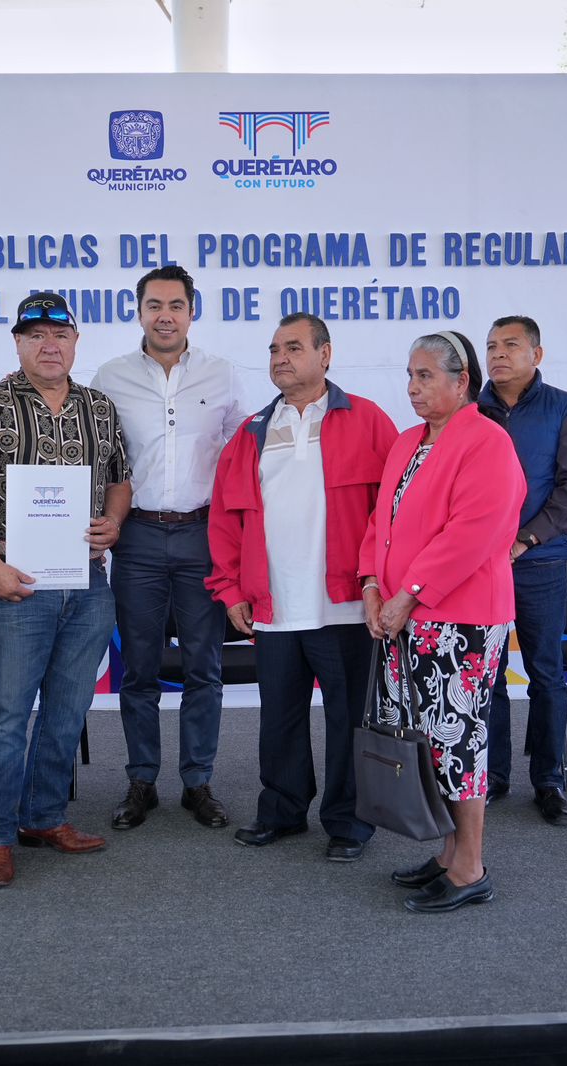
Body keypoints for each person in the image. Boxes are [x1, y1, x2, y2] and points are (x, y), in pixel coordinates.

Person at [208, 313, 397, 862]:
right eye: (273, 349)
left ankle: (349, 821)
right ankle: (282, 811)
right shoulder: (250, 433)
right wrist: (231, 590)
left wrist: (377, 583)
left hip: (344, 604)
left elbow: (392, 512)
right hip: (273, 606)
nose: (279, 358)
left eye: (293, 347)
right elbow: (224, 519)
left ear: (326, 354)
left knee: (349, 717)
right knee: (280, 715)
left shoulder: (368, 420)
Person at [0, 292, 131, 889]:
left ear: (76, 340)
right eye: (34, 335)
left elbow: (120, 481)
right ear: (17, 342)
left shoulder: (99, 407)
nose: (48, 345)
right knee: (7, 713)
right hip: (13, 581)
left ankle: (43, 817)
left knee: (67, 709)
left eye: (58, 335)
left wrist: (114, 522)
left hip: (86, 583)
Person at [361, 332, 525, 912]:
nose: (413, 387)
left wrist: (407, 595)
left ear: (462, 382)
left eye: (426, 375)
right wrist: (372, 585)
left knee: (458, 742)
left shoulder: (488, 442)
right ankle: (448, 854)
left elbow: (471, 536)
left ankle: (470, 867)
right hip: (406, 618)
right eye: (410, 374)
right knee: (429, 743)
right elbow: (378, 525)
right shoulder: (408, 442)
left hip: (461, 620)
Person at [91, 266, 247, 832]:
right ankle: (141, 780)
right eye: (154, 305)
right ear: (138, 311)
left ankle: (198, 783)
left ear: (191, 312)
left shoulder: (223, 374)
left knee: (204, 666)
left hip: (203, 536)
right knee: (138, 668)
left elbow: (238, 460)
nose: (165, 315)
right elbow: (99, 461)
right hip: (135, 537)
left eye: (176, 306)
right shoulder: (109, 377)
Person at [478, 316, 567, 825]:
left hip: (540, 561)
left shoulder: (566, 408)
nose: (498, 354)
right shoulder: (469, 410)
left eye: (510, 345)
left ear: (537, 355)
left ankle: (549, 779)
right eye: (491, 346)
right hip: (480, 567)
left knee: (546, 673)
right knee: (485, 676)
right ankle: (493, 775)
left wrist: (526, 539)